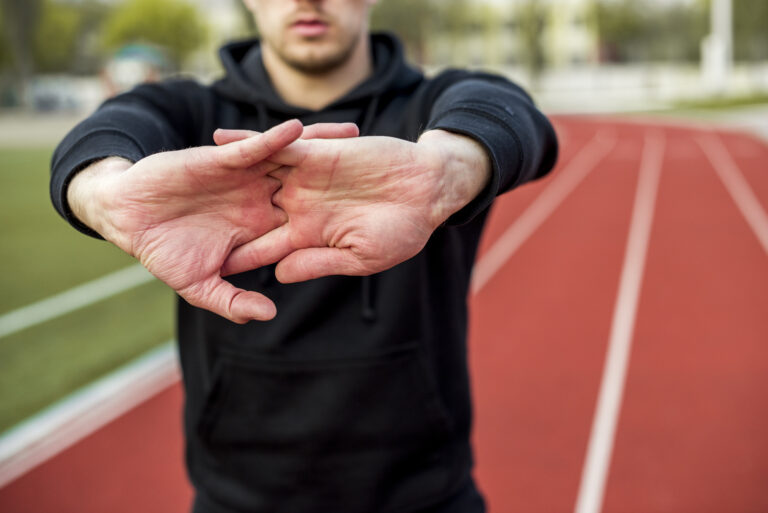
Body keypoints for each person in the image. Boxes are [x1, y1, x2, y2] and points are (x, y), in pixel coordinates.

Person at [50, 1, 558, 511]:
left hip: (426, 496)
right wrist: (105, 196)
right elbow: (106, 133)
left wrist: (445, 171)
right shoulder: (191, 113)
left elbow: (507, 112)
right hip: (235, 500)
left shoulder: (434, 106)